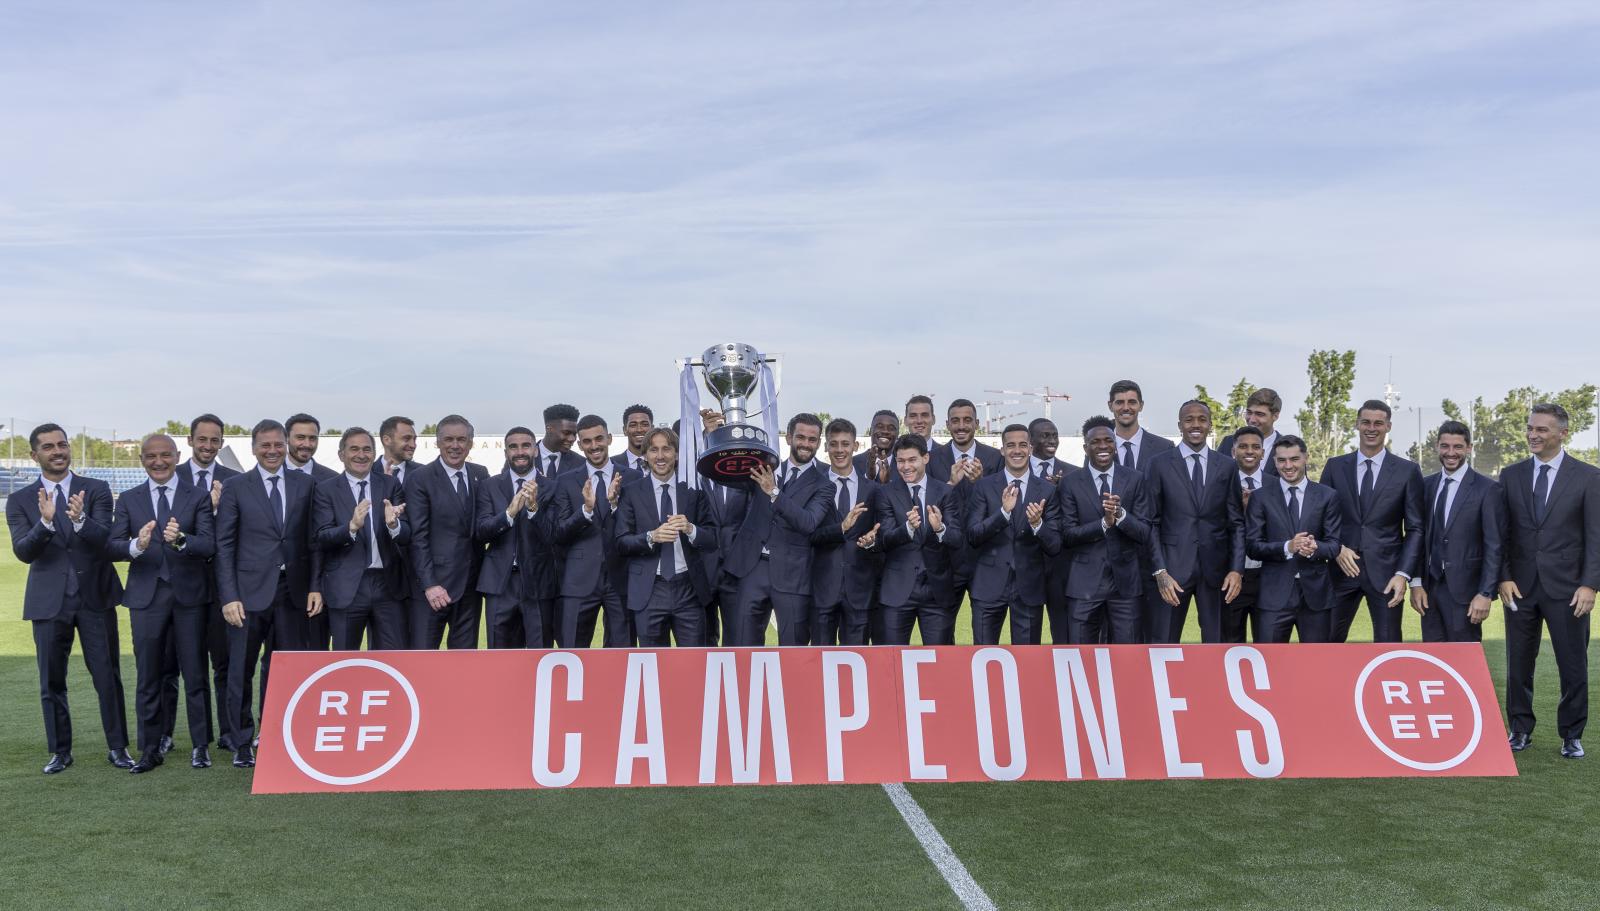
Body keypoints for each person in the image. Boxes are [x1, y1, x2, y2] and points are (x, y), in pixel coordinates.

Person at [7, 423, 130, 774]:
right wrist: (44, 524)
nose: (57, 451)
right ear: (35, 455)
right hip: (49, 603)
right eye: (48, 447)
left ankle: (118, 748)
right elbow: (23, 552)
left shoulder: (97, 489)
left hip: (95, 598)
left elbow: (105, 538)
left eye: (62, 444)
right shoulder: (19, 501)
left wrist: (80, 520)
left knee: (108, 676)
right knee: (52, 681)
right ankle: (60, 752)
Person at [214, 419, 324, 767]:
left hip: (293, 593)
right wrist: (229, 595)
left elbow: (314, 541)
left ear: (287, 445)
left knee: (286, 669)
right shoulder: (236, 486)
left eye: (278, 444)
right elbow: (224, 544)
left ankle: (278, 733)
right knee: (241, 669)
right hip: (247, 595)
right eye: (266, 445)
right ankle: (241, 741)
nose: (273, 451)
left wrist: (316, 586)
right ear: (253, 447)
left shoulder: (307, 484)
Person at [109, 434, 217, 772]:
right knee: (148, 676)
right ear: (142, 459)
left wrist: (183, 541)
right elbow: (112, 546)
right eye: (151, 456)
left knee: (195, 674)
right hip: (146, 598)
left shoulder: (197, 496)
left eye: (165, 455)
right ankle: (150, 749)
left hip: (189, 598)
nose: (159, 462)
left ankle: (201, 746)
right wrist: (136, 546)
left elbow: (210, 544)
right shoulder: (128, 499)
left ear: (176, 456)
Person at [1499, 403, 1600, 759]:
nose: (1533, 435)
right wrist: (1504, 576)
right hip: (1520, 588)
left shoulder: (1589, 477)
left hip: (1569, 589)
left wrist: (1590, 585)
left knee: (1573, 665)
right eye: (1530, 428)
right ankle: (1520, 730)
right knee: (1518, 665)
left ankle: (1571, 735)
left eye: (1541, 429)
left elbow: (1595, 535)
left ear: (1562, 433)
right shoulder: (1510, 476)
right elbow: (1502, 533)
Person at [1321, 400, 1424, 643]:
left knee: (1388, 648)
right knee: (1325, 644)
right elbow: (1321, 517)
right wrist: (1336, 549)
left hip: (1386, 575)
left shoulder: (1407, 471)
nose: (1371, 428)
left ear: (1388, 426)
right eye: (1366, 422)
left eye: (1378, 423)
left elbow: (1416, 528)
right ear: (1357, 424)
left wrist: (1403, 573)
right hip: (1340, 570)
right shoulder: (1335, 467)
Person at [724, 414, 831, 646]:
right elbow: (724, 471)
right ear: (789, 437)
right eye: (800, 437)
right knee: (743, 646)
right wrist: (714, 433)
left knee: (793, 649)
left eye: (812, 439)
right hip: (752, 568)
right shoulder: (762, 469)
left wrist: (774, 492)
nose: (805, 444)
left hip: (793, 574)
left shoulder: (825, 485)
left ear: (819, 443)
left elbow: (808, 522)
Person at [1148, 401, 1244, 643]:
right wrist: (1160, 571)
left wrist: (1236, 569)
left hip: (1216, 571)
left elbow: (1236, 523)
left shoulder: (1227, 465)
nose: (1196, 424)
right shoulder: (1159, 464)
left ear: (1210, 425)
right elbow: (1152, 522)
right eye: (1189, 419)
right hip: (1172, 570)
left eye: (1202, 419)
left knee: (1216, 643)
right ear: (1179, 425)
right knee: (1165, 642)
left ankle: (1213, 683)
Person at [174, 413, 240, 757]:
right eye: (203, 439)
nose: (208, 446)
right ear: (190, 440)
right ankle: (193, 738)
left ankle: (230, 732)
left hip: (221, 588)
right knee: (188, 666)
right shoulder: (173, 475)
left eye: (215, 440)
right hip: (182, 585)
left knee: (225, 664)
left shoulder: (234, 480)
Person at [615, 428, 718, 646]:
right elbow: (622, 542)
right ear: (645, 456)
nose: (660, 456)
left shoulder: (693, 490)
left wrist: (691, 529)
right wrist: (651, 536)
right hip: (649, 590)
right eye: (653, 450)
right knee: (653, 666)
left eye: (666, 449)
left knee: (693, 664)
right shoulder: (631, 492)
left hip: (689, 589)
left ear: (677, 454)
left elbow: (712, 538)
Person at [1056, 416, 1153, 644]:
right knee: (1081, 657)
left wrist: (1120, 516)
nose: (1102, 446)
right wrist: (1103, 524)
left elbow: (1144, 532)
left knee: (1127, 659)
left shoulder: (1135, 479)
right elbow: (1068, 535)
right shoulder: (1070, 483)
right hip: (1084, 586)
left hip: (1125, 586)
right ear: (1085, 447)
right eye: (1095, 442)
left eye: (1108, 441)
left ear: (1115, 444)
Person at [312, 428, 410, 650]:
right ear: (341, 454)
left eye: (367, 449)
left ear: (374, 454)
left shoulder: (390, 485)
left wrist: (394, 525)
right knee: (345, 661)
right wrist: (351, 527)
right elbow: (322, 537)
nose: (361, 455)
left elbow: (407, 534)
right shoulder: (326, 490)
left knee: (393, 660)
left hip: (388, 586)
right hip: (346, 588)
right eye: (354, 449)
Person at [965, 424, 1060, 644]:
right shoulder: (984, 486)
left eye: (1022, 445)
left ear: (1030, 448)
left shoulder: (1047, 490)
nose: (1016, 451)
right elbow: (972, 535)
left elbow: (1054, 544)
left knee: (1027, 662)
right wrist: (1002, 513)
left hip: (1029, 587)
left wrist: (1038, 524)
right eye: (1010, 445)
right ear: (1002, 450)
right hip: (988, 586)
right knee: (983, 656)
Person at [1409, 421, 1503, 644]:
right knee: (1433, 661)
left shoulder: (1487, 488)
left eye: (1458, 447)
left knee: (1463, 662)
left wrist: (1486, 593)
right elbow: (1417, 536)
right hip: (1429, 590)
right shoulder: (1425, 485)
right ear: (1437, 447)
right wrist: (1416, 583)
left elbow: (1494, 545)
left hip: (1467, 593)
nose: (1451, 453)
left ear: (1469, 448)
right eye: (1445, 446)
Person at [1244, 435, 1342, 643]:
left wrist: (1316, 548)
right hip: (1273, 597)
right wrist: (1288, 547)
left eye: (1294, 459)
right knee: (1269, 666)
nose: (1288, 466)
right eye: (1281, 460)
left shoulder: (1327, 496)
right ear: (1274, 461)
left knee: (1317, 665)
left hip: (1316, 597)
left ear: (1306, 458)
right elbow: (1252, 546)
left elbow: (1334, 545)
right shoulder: (1260, 497)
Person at [405, 415, 488, 650]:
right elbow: (417, 537)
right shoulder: (419, 479)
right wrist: (430, 584)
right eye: (448, 439)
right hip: (432, 590)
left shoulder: (480, 473)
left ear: (470, 443)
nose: (455, 445)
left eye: (461, 439)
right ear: (437, 442)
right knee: (423, 660)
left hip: (470, 588)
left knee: (463, 664)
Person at [552, 415, 634, 647]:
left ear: (609, 438)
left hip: (622, 580)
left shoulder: (632, 478)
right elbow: (559, 533)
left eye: (599, 438)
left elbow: (636, 528)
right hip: (579, 581)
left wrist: (616, 505)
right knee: (572, 652)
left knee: (622, 654)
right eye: (587, 441)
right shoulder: (566, 481)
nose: (594, 445)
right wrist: (586, 511)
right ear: (580, 445)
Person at [876, 433, 965, 644]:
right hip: (897, 591)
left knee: (940, 663)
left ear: (925, 458)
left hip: (937, 592)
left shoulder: (945, 492)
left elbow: (957, 539)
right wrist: (907, 528)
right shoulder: (885, 493)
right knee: (892, 663)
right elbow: (885, 539)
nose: (906, 466)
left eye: (912, 460)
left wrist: (940, 528)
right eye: (900, 461)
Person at [475, 427, 557, 648]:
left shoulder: (553, 486)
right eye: (513, 446)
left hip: (539, 582)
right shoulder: (489, 486)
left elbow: (554, 536)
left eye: (526, 446)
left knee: (540, 654)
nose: (520, 451)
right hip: (500, 583)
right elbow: (481, 531)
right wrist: (508, 514)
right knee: (499, 657)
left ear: (535, 450)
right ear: (506, 452)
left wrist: (533, 510)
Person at [812, 418, 885, 645]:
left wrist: (874, 540)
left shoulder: (873, 490)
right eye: (834, 444)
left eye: (845, 444)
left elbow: (882, 532)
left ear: (855, 446)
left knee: (856, 663)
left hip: (861, 590)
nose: (840, 450)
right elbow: (808, 534)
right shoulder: (814, 485)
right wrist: (840, 528)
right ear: (826, 447)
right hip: (822, 589)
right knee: (819, 663)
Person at [1030, 417, 1077, 643]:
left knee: (1063, 633)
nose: (1052, 440)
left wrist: (1059, 492)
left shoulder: (1074, 474)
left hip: (1061, 567)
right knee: (1028, 636)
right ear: (1030, 441)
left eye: (1055, 435)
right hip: (1025, 565)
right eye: (1045, 435)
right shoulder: (1014, 471)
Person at [1228, 425, 1269, 642]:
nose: (1250, 451)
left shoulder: (1275, 484)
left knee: (1269, 644)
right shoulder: (1222, 482)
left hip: (1267, 576)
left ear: (1263, 452)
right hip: (1232, 575)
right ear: (1234, 451)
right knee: (1231, 642)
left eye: (1255, 447)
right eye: (1243, 446)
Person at [1220, 388, 1284, 477]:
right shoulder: (1228, 443)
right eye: (1249, 412)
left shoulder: (1288, 447)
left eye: (1259, 414)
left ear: (1275, 416)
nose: (1252, 419)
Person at [853, 410, 901, 485]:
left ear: (897, 434)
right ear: (870, 431)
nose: (885, 431)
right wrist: (868, 478)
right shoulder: (853, 463)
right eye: (879, 426)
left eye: (891, 428)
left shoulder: (903, 465)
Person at [538, 403, 584, 478]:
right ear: (549, 429)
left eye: (574, 434)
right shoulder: (523, 458)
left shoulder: (581, 464)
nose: (572, 439)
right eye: (566, 433)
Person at [376, 415, 418, 485]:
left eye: (414, 439)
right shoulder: (367, 472)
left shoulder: (424, 473)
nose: (413, 445)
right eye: (406, 438)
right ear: (387, 440)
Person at [613, 405, 654, 474]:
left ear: (652, 429)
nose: (639, 430)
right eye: (633, 425)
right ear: (624, 430)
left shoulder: (662, 463)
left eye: (644, 424)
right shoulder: (612, 464)